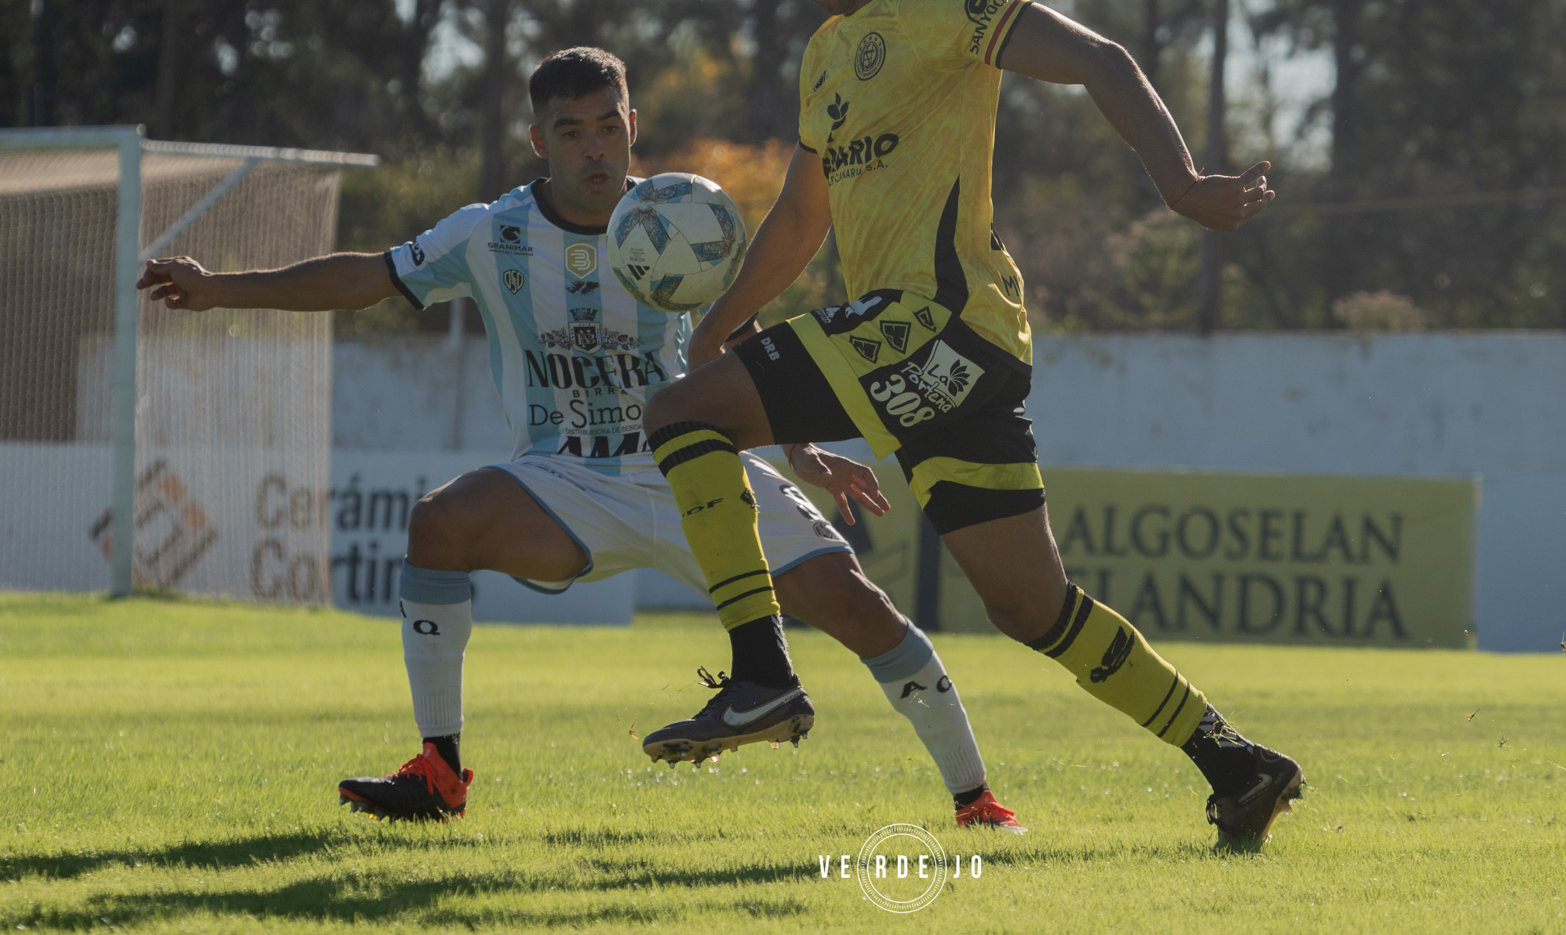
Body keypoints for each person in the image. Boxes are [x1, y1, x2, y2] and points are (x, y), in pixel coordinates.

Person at [136, 46, 1023, 832]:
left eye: (609, 127)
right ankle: (440, 771)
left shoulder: (679, 215)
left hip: (696, 468)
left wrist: (797, 446)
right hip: (562, 481)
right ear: (540, 142)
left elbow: (735, 331)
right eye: (572, 132)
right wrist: (221, 290)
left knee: (858, 608)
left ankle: (976, 800)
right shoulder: (490, 233)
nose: (595, 148)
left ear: (633, 127)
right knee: (438, 524)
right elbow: (367, 278)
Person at [639, 0, 1300, 851]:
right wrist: (719, 324)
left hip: (933, 324)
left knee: (679, 416)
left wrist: (1179, 183)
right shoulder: (825, 57)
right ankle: (1238, 762)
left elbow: (1101, 57)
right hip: (940, 352)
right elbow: (803, 221)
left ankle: (762, 674)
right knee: (1031, 606)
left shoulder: (946, 10)